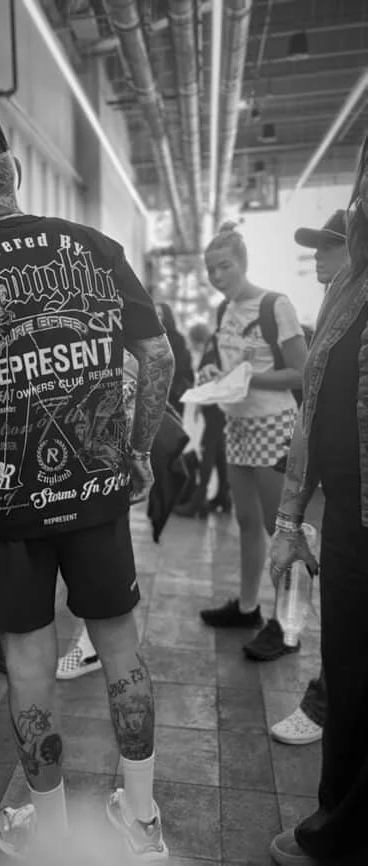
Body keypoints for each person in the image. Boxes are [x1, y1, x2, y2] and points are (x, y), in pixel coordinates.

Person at [0, 109, 175, 861]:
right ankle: (143, 817)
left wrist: (1, 405)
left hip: (5, 507)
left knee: (30, 666)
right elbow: (157, 361)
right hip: (96, 489)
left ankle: (52, 829)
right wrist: (133, 450)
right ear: (14, 170)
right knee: (120, 651)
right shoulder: (93, 246)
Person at [268, 140, 368, 866]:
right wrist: (290, 517)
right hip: (346, 518)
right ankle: (335, 818)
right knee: (352, 670)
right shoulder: (347, 289)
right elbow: (312, 411)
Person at [198, 224, 308, 662]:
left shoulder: (274, 304)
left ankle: (287, 627)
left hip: (273, 426)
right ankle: (247, 608)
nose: (217, 276)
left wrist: (246, 378)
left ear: (243, 263)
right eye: (210, 269)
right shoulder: (227, 309)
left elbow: (301, 373)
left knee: (280, 530)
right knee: (245, 523)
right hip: (238, 427)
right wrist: (215, 376)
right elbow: (228, 366)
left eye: (224, 266)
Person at [270, 210, 348, 748]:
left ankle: (327, 702)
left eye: (329, 246)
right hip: (344, 498)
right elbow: (314, 410)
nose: (317, 256)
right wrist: (291, 517)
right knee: (343, 616)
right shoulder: (332, 313)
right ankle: (327, 699)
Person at [174, 322, 230, 517]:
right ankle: (224, 496)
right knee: (219, 452)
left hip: (215, 408)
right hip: (216, 407)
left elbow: (213, 380)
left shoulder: (213, 349)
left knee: (208, 451)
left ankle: (198, 500)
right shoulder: (215, 347)